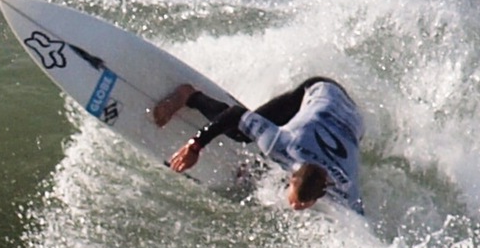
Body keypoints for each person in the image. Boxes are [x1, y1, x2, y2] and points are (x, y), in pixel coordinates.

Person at [152, 76, 364, 213]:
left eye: (301, 205)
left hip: (350, 117)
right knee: (240, 133)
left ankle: (256, 166)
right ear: (292, 178)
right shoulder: (283, 144)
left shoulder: (347, 190)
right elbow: (236, 114)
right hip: (322, 91)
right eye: (297, 202)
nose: (294, 207)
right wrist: (195, 146)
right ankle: (190, 96)